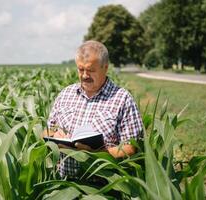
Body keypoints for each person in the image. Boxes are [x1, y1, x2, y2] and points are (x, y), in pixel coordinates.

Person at [44, 40, 143, 179]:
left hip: (101, 187)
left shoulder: (122, 99)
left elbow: (131, 148)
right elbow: (48, 130)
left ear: (105, 67)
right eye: (80, 69)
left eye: (90, 70)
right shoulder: (65, 94)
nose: (84, 75)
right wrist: (55, 137)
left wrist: (97, 153)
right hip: (62, 183)